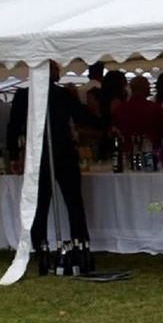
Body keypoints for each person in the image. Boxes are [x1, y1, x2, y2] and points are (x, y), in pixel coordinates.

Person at [7, 61, 103, 258]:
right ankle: (79, 242)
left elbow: (13, 128)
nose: (59, 72)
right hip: (58, 152)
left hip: (43, 153)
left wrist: (14, 155)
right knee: (70, 201)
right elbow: (84, 117)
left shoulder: (28, 95)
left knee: (45, 203)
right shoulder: (59, 95)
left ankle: (41, 244)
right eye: (56, 69)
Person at [113, 75, 163, 157]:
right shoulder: (155, 108)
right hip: (152, 153)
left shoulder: (120, 109)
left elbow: (116, 130)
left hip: (127, 152)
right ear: (145, 88)